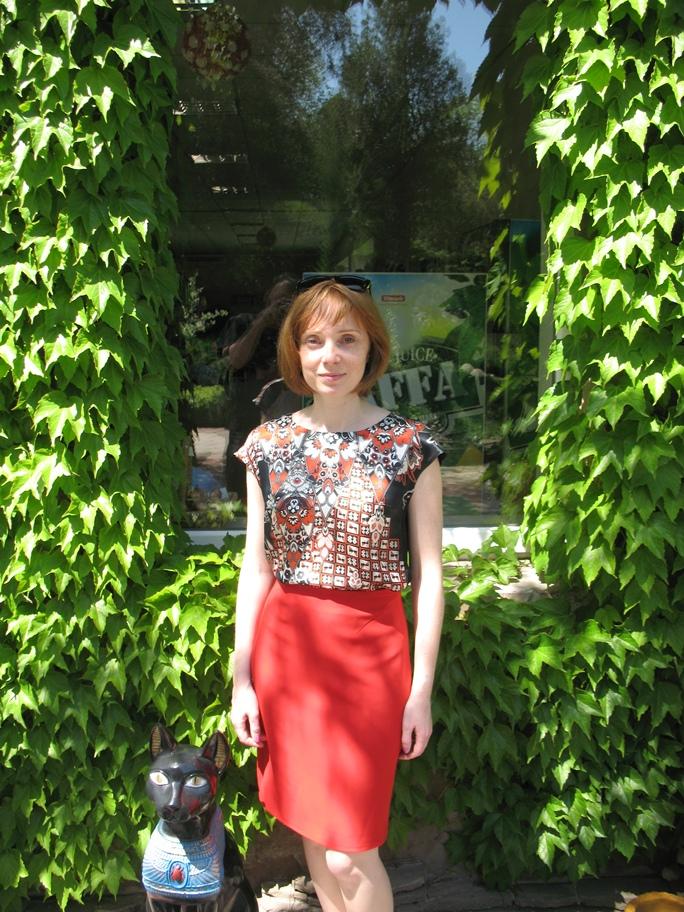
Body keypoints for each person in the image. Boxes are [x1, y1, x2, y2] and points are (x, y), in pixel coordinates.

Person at [230, 275, 444, 912]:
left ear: (371, 348)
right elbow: (257, 567)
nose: (331, 356)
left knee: (352, 848)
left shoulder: (411, 448)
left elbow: (431, 576)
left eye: (347, 340)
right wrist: (242, 680)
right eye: (314, 341)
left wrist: (421, 691)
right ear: (295, 352)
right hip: (289, 657)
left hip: (371, 657)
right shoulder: (267, 446)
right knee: (316, 833)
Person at [219, 275, 298, 500]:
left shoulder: (300, 329)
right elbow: (236, 359)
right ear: (267, 300)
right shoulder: (244, 323)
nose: (280, 308)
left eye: (286, 302)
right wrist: (262, 322)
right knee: (240, 463)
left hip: (286, 410)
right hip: (246, 410)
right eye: (277, 301)